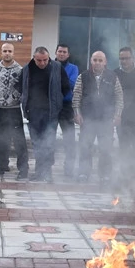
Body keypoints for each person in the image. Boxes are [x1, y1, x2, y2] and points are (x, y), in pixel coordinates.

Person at [20, 46, 71, 183]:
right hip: (33, 113)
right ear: (34, 58)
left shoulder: (56, 67)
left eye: (45, 60)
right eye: (39, 60)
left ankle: (47, 173)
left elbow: (66, 87)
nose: (42, 63)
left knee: (48, 143)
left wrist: (56, 99)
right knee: (37, 144)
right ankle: (38, 171)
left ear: (49, 58)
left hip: (50, 113)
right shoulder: (26, 69)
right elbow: (21, 88)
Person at [73, 50, 123, 184]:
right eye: (95, 60)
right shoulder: (83, 77)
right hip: (88, 119)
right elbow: (76, 96)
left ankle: (105, 175)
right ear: (91, 61)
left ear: (105, 62)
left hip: (106, 120)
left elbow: (119, 98)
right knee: (85, 147)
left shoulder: (113, 77)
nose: (97, 63)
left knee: (105, 149)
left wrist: (117, 115)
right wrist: (77, 113)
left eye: (100, 60)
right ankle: (83, 173)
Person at [0, 43, 28, 180]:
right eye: (5, 51)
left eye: (10, 51)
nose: (7, 53)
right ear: (1, 52)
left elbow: (23, 89)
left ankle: (23, 169)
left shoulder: (20, 70)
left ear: (13, 52)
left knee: (19, 141)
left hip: (13, 110)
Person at [55, 44, 80, 177]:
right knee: (46, 137)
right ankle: (45, 168)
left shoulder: (73, 68)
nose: (62, 54)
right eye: (59, 51)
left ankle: (69, 168)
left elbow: (71, 83)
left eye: (64, 52)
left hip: (66, 106)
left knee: (69, 139)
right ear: (56, 52)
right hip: (52, 106)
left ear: (68, 54)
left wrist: (57, 78)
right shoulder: (49, 65)